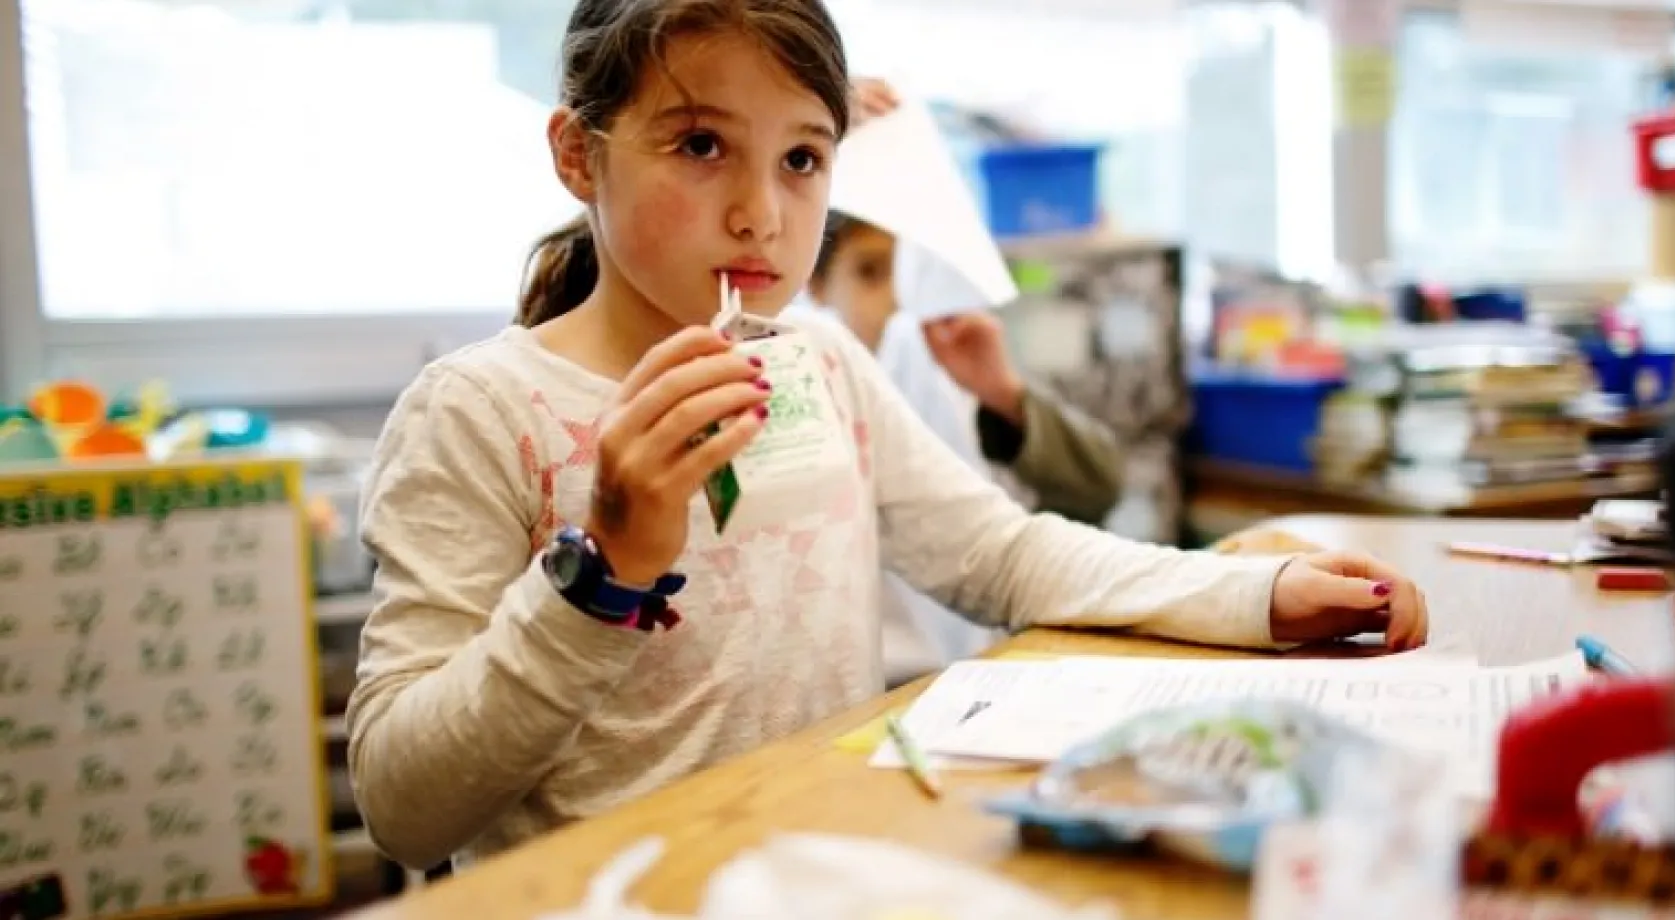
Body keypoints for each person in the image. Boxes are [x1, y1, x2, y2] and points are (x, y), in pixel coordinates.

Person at [347, 0, 1431, 874]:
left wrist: (1253, 592)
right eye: (700, 144)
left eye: (803, 159)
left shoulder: (818, 364)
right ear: (580, 156)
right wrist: (601, 577)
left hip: (830, 870)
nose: (761, 214)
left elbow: (1002, 556)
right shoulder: (476, 410)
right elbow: (403, 808)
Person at [800, 212, 1126, 684]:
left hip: (968, 675)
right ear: (817, 285)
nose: (896, 301)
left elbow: (1099, 487)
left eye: (911, 275)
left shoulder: (949, 380)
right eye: (870, 273)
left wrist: (1003, 394)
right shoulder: (800, 394)